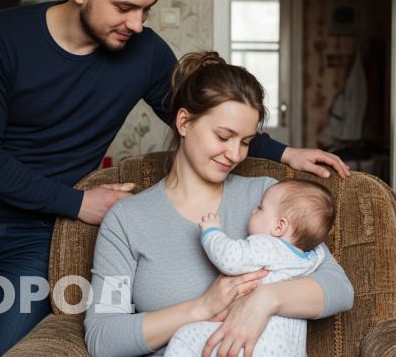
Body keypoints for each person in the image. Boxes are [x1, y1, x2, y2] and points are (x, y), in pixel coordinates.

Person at [0, 0, 349, 357]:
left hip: (33, 231)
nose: (137, 24)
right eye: (125, 7)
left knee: (2, 352)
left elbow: (208, 114)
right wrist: (78, 203)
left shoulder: (143, 52)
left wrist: (284, 152)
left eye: (147, 9)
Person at [85, 52, 354, 357]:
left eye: (245, 141)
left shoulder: (267, 198)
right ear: (184, 122)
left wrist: (265, 300)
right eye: (223, 136)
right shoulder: (127, 220)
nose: (236, 155)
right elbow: (103, 337)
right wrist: (202, 307)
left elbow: (339, 288)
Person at [164, 179, 336, 357]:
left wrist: (212, 231)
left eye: (260, 208)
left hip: (255, 344)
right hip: (290, 348)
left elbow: (230, 258)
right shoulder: (312, 258)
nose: (253, 211)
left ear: (279, 226)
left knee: (185, 338)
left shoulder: (266, 245)